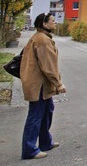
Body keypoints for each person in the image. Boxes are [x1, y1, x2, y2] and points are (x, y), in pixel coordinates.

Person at [20, 13, 66, 160]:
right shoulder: (43, 40)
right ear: (44, 24)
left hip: (41, 84)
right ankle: (29, 150)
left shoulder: (41, 38)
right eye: (53, 21)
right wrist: (58, 83)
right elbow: (48, 66)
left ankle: (45, 142)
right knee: (35, 115)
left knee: (47, 111)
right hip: (38, 84)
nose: (55, 23)